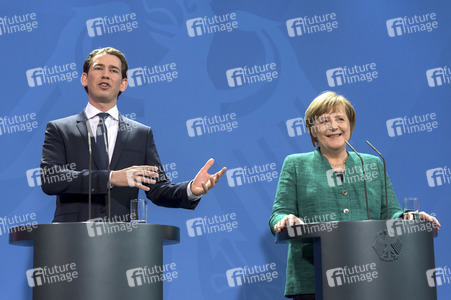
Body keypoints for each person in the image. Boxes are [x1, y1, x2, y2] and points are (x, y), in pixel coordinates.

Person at [269, 91, 440, 299]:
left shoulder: (371, 163)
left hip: (372, 279)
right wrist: (285, 219)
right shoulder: (296, 165)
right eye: (324, 121)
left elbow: (391, 213)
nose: (334, 126)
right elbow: (279, 214)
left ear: (349, 126)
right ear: (312, 131)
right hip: (313, 279)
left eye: (340, 119)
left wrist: (410, 218)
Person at [40, 47, 226, 222]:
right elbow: (51, 179)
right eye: (99, 68)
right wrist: (111, 177)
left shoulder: (140, 134)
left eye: (113, 70)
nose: (105, 74)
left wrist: (191, 189)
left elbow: (157, 189)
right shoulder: (60, 129)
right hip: (71, 239)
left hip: (124, 241)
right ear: (84, 79)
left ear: (123, 84)